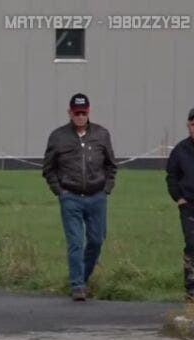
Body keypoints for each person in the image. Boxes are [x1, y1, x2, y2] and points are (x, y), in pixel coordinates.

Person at [42, 93, 118, 301]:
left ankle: (83, 278)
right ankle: (77, 286)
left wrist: (106, 189)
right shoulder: (58, 137)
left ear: (89, 112)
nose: (80, 117)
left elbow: (111, 165)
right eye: (77, 113)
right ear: (70, 113)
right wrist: (60, 191)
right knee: (75, 241)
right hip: (71, 197)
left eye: (84, 112)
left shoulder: (101, 134)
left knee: (96, 240)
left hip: (97, 196)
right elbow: (48, 168)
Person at [165, 106, 194, 302]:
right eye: (193, 125)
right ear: (188, 126)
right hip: (189, 205)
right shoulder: (180, 150)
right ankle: (192, 290)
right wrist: (178, 197)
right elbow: (172, 175)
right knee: (192, 245)